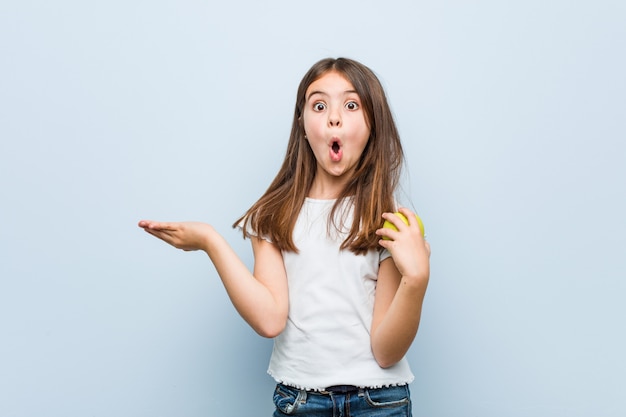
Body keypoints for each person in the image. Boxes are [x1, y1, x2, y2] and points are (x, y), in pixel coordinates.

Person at [138, 57, 431, 416]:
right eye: (319, 105)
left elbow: (386, 351)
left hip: (379, 403)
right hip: (300, 403)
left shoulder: (390, 219)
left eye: (351, 105)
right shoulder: (273, 217)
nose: (334, 117)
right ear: (302, 124)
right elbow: (269, 319)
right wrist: (210, 241)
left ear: (373, 124)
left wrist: (416, 281)